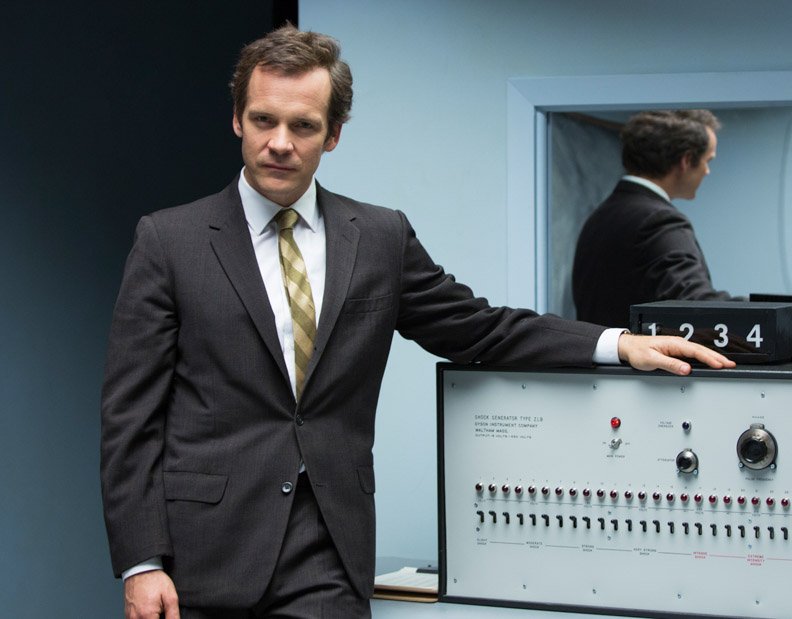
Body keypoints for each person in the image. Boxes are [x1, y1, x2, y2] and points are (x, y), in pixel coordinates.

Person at [100, 26, 734, 619]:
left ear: (334, 134)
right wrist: (141, 561)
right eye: (264, 120)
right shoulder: (170, 241)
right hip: (202, 554)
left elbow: (479, 327)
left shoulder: (379, 237)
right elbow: (131, 416)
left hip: (327, 552)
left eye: (304, 125)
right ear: (238, 118)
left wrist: (617, 344)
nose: (281, 143)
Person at [571, 109, 735, 327]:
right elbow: (694, 303)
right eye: (708, 160)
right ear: (686, 161)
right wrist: (774, 309)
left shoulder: (602, 215)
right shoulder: (659, 221)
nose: (707, 171)